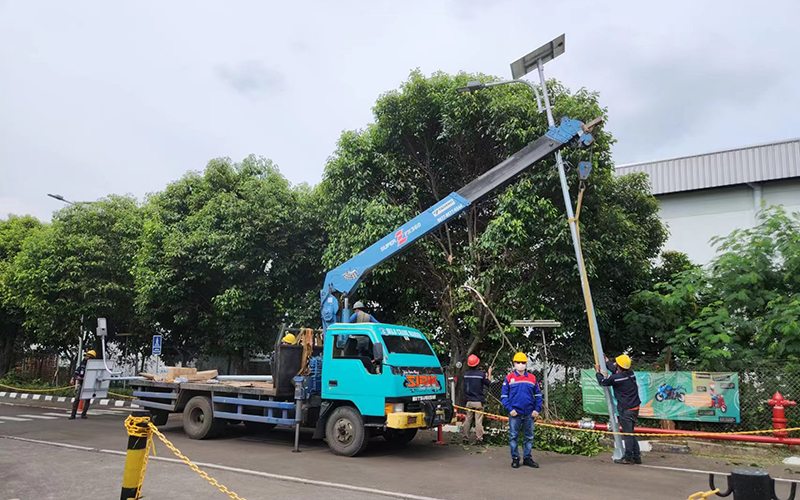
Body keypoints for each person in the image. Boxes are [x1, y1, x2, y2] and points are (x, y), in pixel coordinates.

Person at [595, 354, 641, 464]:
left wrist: (597, 372)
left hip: (626, 409)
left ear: (619, 366)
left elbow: (602, 382)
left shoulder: (617, 378)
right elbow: (615, 370)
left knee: (628, 434)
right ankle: (636, 456)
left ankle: (628, 457)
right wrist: (606, 361)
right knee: (631, 432)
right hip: (635, 408)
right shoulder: (630, 374)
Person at [501, 352, 542, 469]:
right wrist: (509, 409)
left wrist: (537, 409)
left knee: (529, 437)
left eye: (523, 362)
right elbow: (504, 397)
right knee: (513, 436)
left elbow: (538, 396)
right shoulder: (509, 378)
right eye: (518, 362)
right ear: (514, 363)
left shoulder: (532, 378)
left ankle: (527, 458)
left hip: (529, 413)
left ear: (526, 364)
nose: (520, 364)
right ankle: (515, 458)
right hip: (515, 413)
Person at [462, 354, 492, 445]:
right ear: (477, 364)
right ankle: (479, 439)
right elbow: (489, 383)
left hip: (469, 401)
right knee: (478, 421)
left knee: (467, 420)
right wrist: (489, 372)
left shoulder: (466, 375)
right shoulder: (481, 374)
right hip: (478, 401)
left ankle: (465, 438)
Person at [69, 350, 96, 420]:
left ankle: (84, 414)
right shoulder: (83, 364)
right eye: (86, 356)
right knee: (77, 398)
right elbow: (77, 372)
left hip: (89, 384)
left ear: (91, 358)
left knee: (87, 399)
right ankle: (73, 414)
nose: (86, 357)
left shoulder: (94, 366)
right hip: (82, 383)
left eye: (88, 356)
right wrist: (73, 378)